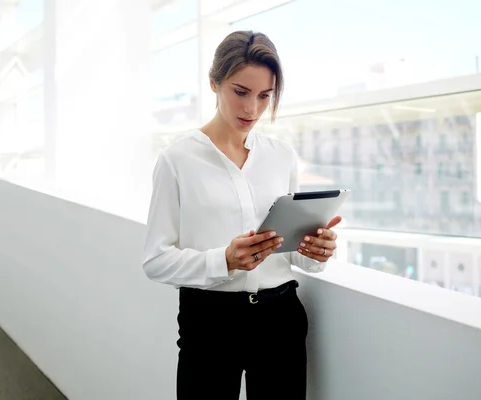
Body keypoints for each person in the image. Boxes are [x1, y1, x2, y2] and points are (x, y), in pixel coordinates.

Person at [142, 30, 342, 400]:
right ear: (214, 83)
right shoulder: (178, 160)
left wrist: (314, 251)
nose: (252, 109)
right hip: (210, 322)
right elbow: (155, 260)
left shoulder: (281, 155)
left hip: (280, 318)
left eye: (265, 96)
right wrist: (225, 260)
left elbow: (288, 247)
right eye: (240, 92)